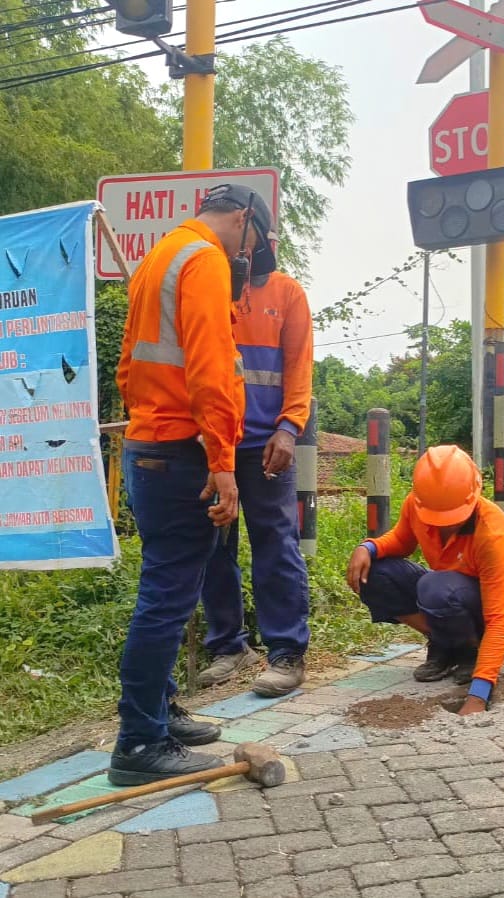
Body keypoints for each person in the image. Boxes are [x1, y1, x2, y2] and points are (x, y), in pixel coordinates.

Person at [112, 183, 275, 783]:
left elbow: (129, 365)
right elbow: (210, 368)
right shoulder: (204, 259)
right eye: (251, 242)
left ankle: (157, 713)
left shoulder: (161, 254)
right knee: (167, 596)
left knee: (167, 588)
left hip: (151, 442)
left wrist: (150, 419)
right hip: (181, 448)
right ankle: (139, 744)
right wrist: (222, 461)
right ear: (243, 217)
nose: (247, 254)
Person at [345, 445, 504, 713]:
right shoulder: (418, 504)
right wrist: (368, 548)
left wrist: (478, 696)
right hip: (451, 590)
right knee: (376, 574)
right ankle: (446, 643)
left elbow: (498, 620)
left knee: (436, 589)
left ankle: (471, 650)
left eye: (451, 517)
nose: (442, 525)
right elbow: (401, 540)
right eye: (435, 517)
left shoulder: (493, 535)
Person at [197, 262, 314, 697]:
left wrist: (289, 428)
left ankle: (286, 653)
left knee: (276, 544)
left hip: (267, 442)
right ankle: (228, 646)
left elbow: (299, 367)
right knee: (211, 545)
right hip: (213, 443)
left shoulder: (288, 293)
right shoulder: (209, 285)